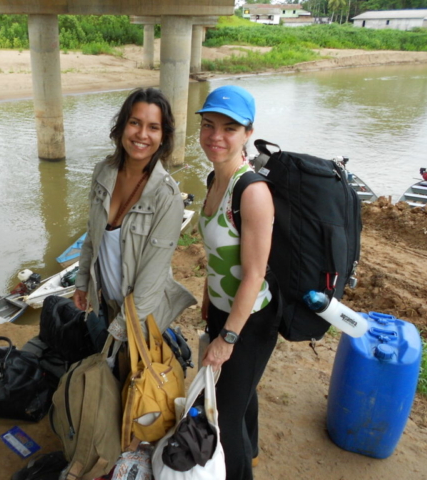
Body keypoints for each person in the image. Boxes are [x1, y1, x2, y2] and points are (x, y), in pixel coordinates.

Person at [197, 85, 280, 480]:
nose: (216, 135)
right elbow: (219, 255)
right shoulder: (215, 178)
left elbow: (254, 274)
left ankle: (242, 468)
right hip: (222, 308)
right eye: (208, 125)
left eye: (229, 128)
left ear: (248, 133)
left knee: (224, 418)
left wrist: (225, 340)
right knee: (240, 395)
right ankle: (256, 449)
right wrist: (208, 296)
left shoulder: (252, 192)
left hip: (250, 321)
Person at [73, 87, 196, 343]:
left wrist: (122, 330)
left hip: (142, 315)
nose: (141, 134)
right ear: (121, 127)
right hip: (106, 301)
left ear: (163, 136)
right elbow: (92, 236)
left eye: (153, 127)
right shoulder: (103, 173)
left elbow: (154, 274)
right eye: (135, 123)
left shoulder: (167, 197)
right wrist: (82, 282)